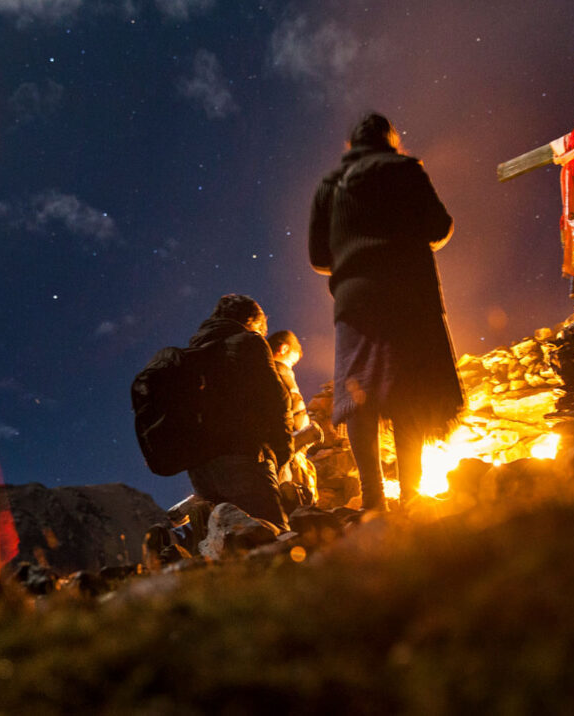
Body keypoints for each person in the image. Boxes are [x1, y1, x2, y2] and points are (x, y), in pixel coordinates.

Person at [308, 112, 463, 510]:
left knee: (359, 392)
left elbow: (318, 256)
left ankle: (373, 500)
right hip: (410, 293)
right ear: (389, 139)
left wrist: (351, 256)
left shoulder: (329, 184)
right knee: (409, 389)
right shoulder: (406, 169)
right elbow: (439, 226)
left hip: (355, 301)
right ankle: (411, 494)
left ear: (351, 145)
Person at [185, 294, 292, 532]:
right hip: (242, 457)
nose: (262, 333)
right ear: (251, 320)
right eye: (261, 327)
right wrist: (283, 449)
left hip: (199, 468)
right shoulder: (248, 342)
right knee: (273, 536)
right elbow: (275, 398)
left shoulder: (191, 353)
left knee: (229, 544)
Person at [267, 330, 321, 506]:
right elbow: (294, 410)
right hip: (287, 451)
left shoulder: (256, 375)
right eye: (292, 360)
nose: (292, 367)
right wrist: (308, 433)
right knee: (291, 500)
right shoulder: (281, 372)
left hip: (270, 454)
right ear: (283, 349)